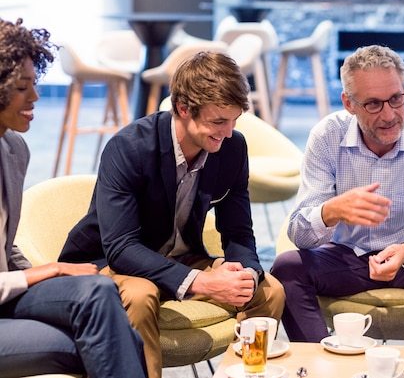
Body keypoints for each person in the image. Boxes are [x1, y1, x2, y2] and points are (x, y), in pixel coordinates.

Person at [58, 51, 285, 378]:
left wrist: (247, 273)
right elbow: (121, 248)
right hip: (110, 262)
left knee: (269, 291)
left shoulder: (233, 148)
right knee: (140, 294)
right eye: (219, 121)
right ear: (182, 109)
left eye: (234, 121)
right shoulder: (130, 148)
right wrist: (203, 281)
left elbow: (238, 231)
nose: (228, 132)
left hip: (181, 258)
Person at [270, 44, 404, 378]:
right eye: (373, 104)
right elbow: (299, 233)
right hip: (346, 256)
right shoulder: (327, 136)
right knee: (287, 268)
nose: (390, 114)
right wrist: (331, 211)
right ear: (348, 104)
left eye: (397, 98)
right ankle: (330, 373)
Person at [0, 18, 147, 378]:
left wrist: (45, 274)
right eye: (22, 87)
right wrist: (48, 271)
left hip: (7, 293)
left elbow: (4, 247)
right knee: (115, 341)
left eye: (34, 84)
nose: (34, 97)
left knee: (97, 289)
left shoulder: (13, 149)